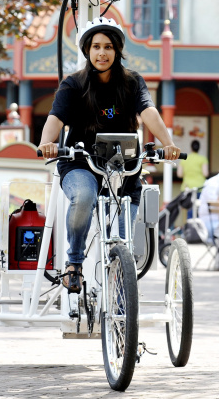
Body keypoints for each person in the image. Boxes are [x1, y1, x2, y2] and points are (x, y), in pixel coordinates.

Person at [37, 17, 180, 294]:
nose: (102, 53)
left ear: (117, 51)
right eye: (96, 47)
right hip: (80, 163)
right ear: (87, 51)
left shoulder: (132, 82)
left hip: (124, 169)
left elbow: (148, 111)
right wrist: (46, 142)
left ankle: (118, 296)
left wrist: (168, 142)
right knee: (84, 197)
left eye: (108, 47)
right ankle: (74, 264)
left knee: (123, 241)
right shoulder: (74, 84)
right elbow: (56, 117)